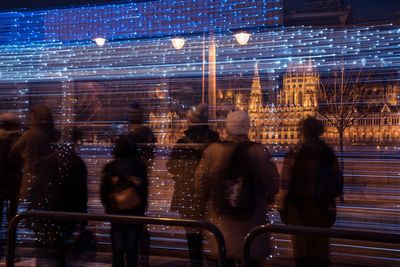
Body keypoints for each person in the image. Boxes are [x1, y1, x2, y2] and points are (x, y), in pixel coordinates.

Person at [195, 110, 279, 267]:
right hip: (252, 226)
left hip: (221, 226)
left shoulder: (213, 151)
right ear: (248, 127)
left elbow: (200, 185)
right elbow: (272, 184)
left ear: (227, 128)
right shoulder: (259, 152)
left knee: (223, 259)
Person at [280, 117, 342, 267]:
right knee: (321, 256)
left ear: (303, 133)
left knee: (302, 257)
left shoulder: (293, 154)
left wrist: (284, 208)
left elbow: (284, 183)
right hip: (322, 212)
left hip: (298, 213)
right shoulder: (328, 154)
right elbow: (338, 183)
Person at [10, 105, 67, 266]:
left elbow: (14, 152)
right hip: (48, 180)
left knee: (31, 215)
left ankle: (39, 251)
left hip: (30, 178)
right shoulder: (52, 135)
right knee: (45, 217)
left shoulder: (28, 135)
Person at [167, 103, 219, 267]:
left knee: (193, 240)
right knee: (212, 238)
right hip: (210, 198)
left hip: (188, 198)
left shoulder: (182, 143)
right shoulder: (215, 142)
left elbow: (171, 166)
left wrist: (185, 176)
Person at [100, 136, 148, 267]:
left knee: (118, 250)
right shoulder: (139, 167)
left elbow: (104, 191)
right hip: (135, 213)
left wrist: (108, 207)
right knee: (133, 250)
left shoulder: (110, 168)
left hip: (116, 213)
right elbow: (144, 191)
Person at [126, 101, 156, 267]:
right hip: (142, 182)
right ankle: (143, 257)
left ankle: (131, 256)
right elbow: (152, 154)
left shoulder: (129, 135)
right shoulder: (147, 133)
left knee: (128, 222)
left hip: (129, 183)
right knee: (141, 222)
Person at [0, 113, 22, 257]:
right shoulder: (16, 138)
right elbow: (17, 159)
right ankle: (10, 253)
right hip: (13, 184)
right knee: (12, 220)